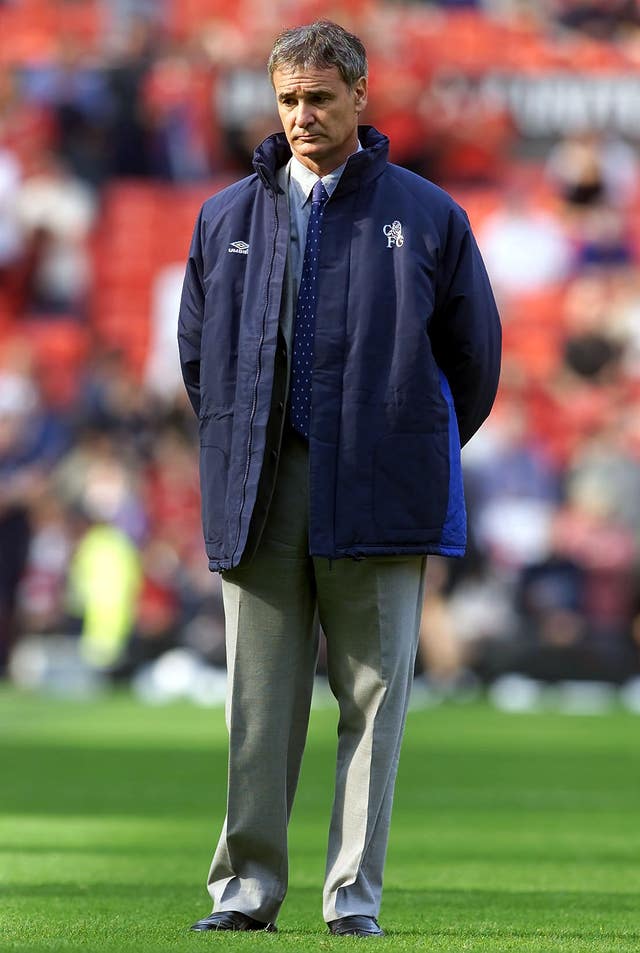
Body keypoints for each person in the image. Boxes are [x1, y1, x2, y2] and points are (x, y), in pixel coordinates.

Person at [178, 20, 501, 938]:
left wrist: (404, 443)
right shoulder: (225, 216)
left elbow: (474, 362)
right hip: (263, 489)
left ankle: (351, 898)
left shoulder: (431, 213)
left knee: (374, 703)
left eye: (320, 97)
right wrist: (247, 445)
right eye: (288, 100)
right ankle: (245, 891)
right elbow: (198, 359)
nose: (302, 116)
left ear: (361, 95)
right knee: (258, 706)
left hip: (379, 488)